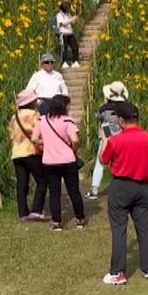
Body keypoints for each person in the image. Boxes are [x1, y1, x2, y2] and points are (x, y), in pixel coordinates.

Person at [99, 103, 148, 285]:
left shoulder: (116, 140)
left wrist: (105, 140)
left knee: (119, 229)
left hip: (121, 185)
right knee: (144, 227)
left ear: (121, 120)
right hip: (142, 186)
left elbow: (103, 160)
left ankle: (118, 272)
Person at [30, 94, 86, 231]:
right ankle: (80, 219)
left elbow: (34, 138)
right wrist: (74, 149)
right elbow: (75, 140)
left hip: (49, 161)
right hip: (68, 160)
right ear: (63, 107)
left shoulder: (42, 120)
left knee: (54, 192)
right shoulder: (67, 121)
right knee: (74, 191)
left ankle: (56, 222)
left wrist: (45, 142)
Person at [9, 89, 47, 222]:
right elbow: (40, 132)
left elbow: (11, 135)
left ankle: (22, 212)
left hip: (16, 153)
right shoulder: (35, 115)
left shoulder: (15, 116)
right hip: (31, 151)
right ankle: (36, 210)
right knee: (42, 180)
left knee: (21, 183)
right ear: (31, 102)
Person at [87, 81, 128, 200]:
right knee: (120, 163)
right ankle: (123, 189)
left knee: (100, 163)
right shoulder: (125, 108)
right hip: (121, 137)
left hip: (106, 136)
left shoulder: (104, 109)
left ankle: (94, 190)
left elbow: (97, 117)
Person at [55, 1, 79, 69]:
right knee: (64, 49)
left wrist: (76, 16)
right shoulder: (59, 15)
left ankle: (75, 61)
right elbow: (63, 23)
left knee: (75, 47)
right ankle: (64, 62)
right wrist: (71, 19)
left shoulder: (68, 14)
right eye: (67, 7)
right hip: (63, 34)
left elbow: (72, 22)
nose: (68, 9)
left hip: (70, 33)